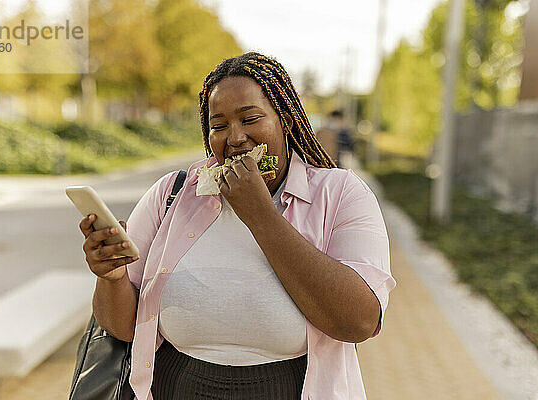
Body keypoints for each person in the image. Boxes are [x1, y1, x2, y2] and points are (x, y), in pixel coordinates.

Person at [78, 52, 396, 400]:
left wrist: (260, 213)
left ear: (286, 120)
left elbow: (359, 322)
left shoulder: (342, 193)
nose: (236, 138)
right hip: (176, 384)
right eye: (218, 125)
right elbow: (121, 327)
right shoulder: (171, 194)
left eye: (250, 118)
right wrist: (111, 278)